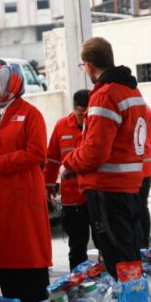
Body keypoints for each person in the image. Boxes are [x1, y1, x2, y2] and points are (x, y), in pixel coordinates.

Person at [62, 37, 149, 277]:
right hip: (130, 187)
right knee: (129, 252)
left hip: (108, 191)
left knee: (116, 257)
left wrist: (68, 164)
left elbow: (94, 152)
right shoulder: (131, 89)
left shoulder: (104, 94)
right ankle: (134, 299)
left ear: (89, 66)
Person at [0, 64, 52, 302]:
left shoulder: (31, 114)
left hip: (23, 201)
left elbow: (37, 153)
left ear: (10, 85)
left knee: (29, 259)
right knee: (4, 262)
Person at [44, 89, 91, 271]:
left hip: (95, 196)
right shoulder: (62, 126)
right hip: (72, 200)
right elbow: (52, 160)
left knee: (105, 244)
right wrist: (47, 188)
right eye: (80, 115)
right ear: (74, 110)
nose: (83, 119)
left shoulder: (97, 127)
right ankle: (77, 284)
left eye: (87, 115)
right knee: (77, 248)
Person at [140, 105, 151, 248]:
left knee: (132, 209)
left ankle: (139, 245)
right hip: (145, 167)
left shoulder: (120, 104)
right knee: (142, 206)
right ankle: (144, 244)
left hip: (129, 170)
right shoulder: (145, 107)